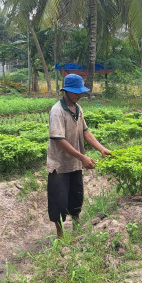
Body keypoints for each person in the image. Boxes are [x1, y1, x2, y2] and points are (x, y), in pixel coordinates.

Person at [47, 73, 111, 238]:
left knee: (76, 198)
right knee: (59, 202)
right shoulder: (57, 111)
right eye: (75, 92)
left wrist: (101, 148)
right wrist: (83, 157)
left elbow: (85, 131)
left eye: (80, 92)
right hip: (60, 165)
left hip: (74, 163)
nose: (79, 95)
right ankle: (60, 236)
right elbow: (59, 140)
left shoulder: (78, 109)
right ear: (66, 91)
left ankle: (76, 230)